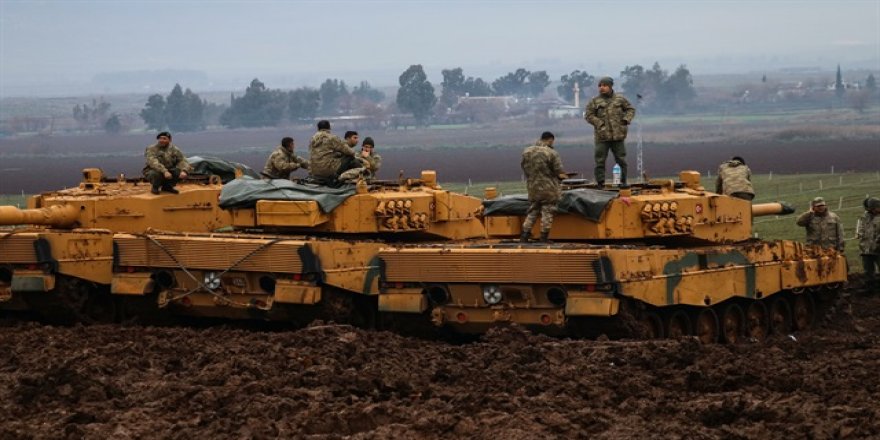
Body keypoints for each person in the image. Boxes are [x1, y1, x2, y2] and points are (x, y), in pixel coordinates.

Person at [585, 76, 635, 187]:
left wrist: (626, 119)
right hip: (602, 136)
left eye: (604, 85)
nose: (601, 88)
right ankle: (600, 182)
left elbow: (630, 109)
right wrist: (599, 123)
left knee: (621, 159)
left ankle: (623, 181)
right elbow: (589, 115)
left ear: (610, 86)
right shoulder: (595, 101)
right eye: (600, 86)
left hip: (618, 135)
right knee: (600, 160)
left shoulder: (620, 99)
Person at [520, 131, 567, 243]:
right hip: (548, 188)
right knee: (547, 211)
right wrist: (563, 177)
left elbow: (524, 168)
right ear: (550, 139)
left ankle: (524, 235)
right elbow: (559, 171)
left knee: (533, 211)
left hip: (532, 187)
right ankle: (543, 237)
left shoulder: (527, 151)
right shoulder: (551, 153)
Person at [856, 197, 880, 292]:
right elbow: (860, 230)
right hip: (866, 249)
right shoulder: (864, 217)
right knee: (868, 270)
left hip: (878, 248)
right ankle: (870, 288)